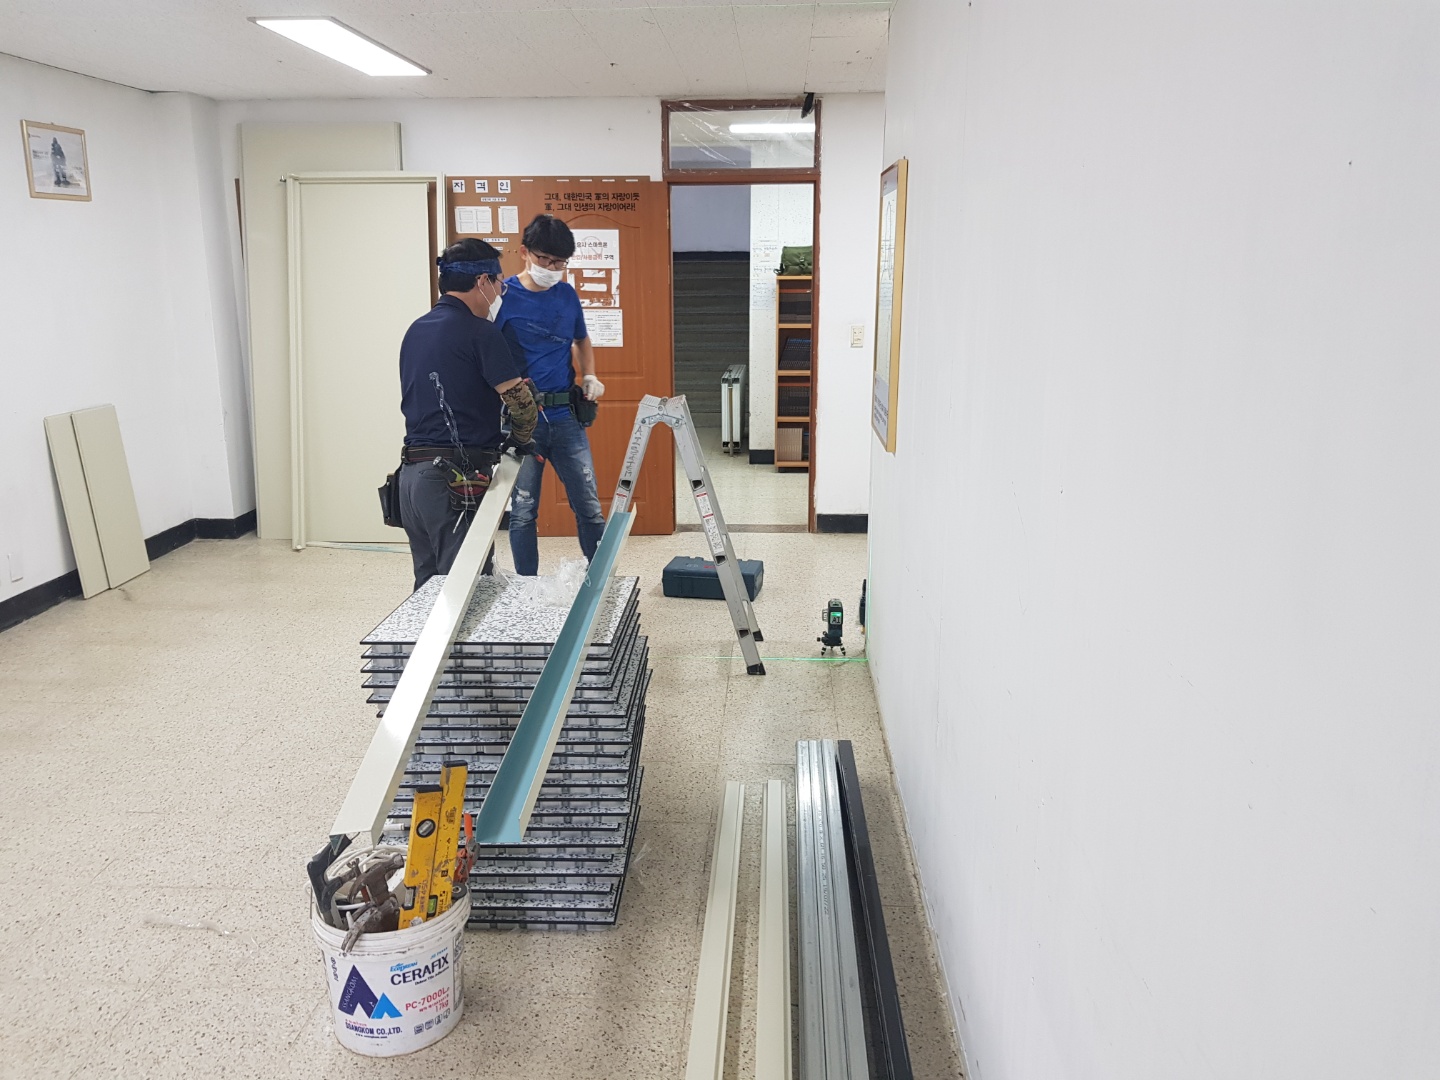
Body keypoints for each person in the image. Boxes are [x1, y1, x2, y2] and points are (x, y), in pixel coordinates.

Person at [397, 238, 538, 591]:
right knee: (465, 590)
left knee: (428, 589)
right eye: (499, 282)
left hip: (411, 480)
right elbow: (522, 405)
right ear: (482, 281)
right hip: (453, 481)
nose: (500, 290)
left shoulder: (416, 329)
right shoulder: (481, 333)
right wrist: (520, 439)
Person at [495, 214, 608, 576]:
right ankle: (527, 588)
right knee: (523, 510)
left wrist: (589, 374)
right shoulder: (503, 297)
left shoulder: (566, 295)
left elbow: (581, 339)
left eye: (560, 262)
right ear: (524, 252)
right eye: (544, 259)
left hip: (566, 418)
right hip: (521, 422)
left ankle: (600, 580)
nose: (551, 268)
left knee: (589, 506)